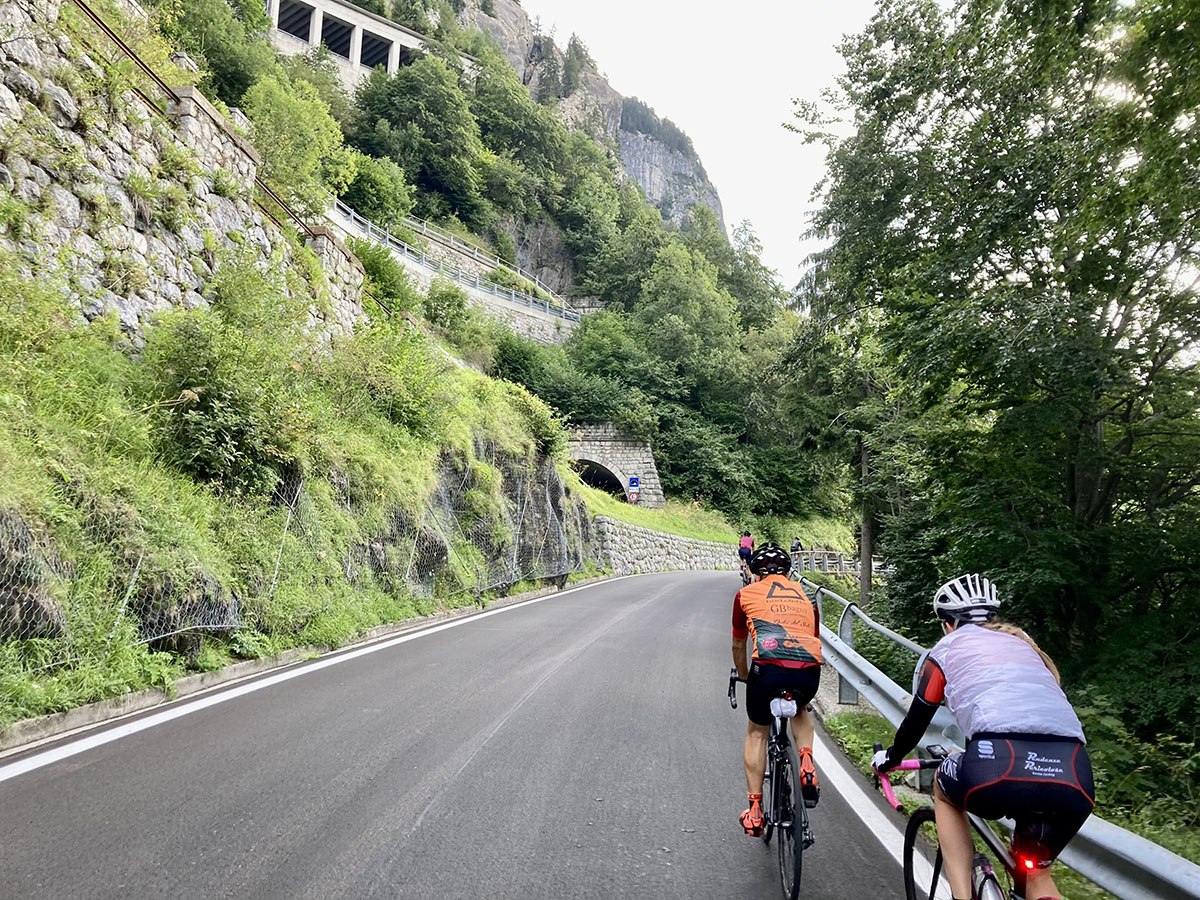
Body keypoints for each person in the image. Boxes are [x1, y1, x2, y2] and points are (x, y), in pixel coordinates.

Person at [872, 574, 1094, 900]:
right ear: (992, 618)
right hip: (1074, 774)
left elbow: (918, 718)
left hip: (998, 767)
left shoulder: (947, 648)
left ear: (948, 623)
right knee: (1036, 874)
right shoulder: (1025, 646)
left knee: (944, 790)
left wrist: (890, 758)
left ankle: (961, 894)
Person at [732, 543, 822, 836]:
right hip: (808, 668)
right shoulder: (807, 597)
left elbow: (737, 644)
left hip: (767, 667)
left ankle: (756, 810)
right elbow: (811, 637)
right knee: (801, 709)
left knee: (757, 731)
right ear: (788, 572)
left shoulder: (745, 594)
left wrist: (745, 675)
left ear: (754, 572)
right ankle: (806, 760)